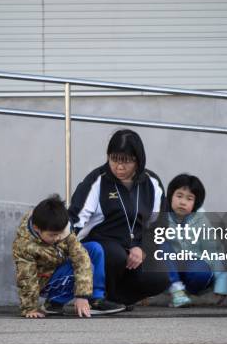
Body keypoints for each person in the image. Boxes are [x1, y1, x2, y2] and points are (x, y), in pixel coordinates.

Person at [69, 129, 170, 306]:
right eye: (114, 160)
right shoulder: (97, 180)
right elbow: (76, 218)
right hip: (100, 246)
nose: (119, 167)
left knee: (159, 277)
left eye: (126, 161)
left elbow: (159, 224)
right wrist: (60, 250)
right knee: (115, 255)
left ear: (138, 160)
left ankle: (115, 300)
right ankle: (96, 298)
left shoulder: (152, 182)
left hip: (134, 250)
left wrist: (143, 248)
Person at [12, 195, 125, 318]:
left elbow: (81, 257)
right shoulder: (24, 245)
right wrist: (30, 308)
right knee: (78, 267)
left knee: (94, 249)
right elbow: (26, 277)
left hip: (62, 269)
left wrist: (82, 296)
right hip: (45, 282)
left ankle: (96, 299)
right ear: (36, 229)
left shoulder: (63, 229)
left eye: (60, 233)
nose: (58, 238)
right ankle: (54, 303)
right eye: (53, 235)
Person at [162, 174, 227, 307]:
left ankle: (184, 293)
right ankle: (177, 290)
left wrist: (222, 284)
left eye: (189, 198)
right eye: (179, 196)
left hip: (192, 266)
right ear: (171, 195)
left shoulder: (201, 221)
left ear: (195, 203)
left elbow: (213, 251)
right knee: (160, 243)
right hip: (168, 267)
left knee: (201, 273)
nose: (183, 202)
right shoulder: (160, 217)